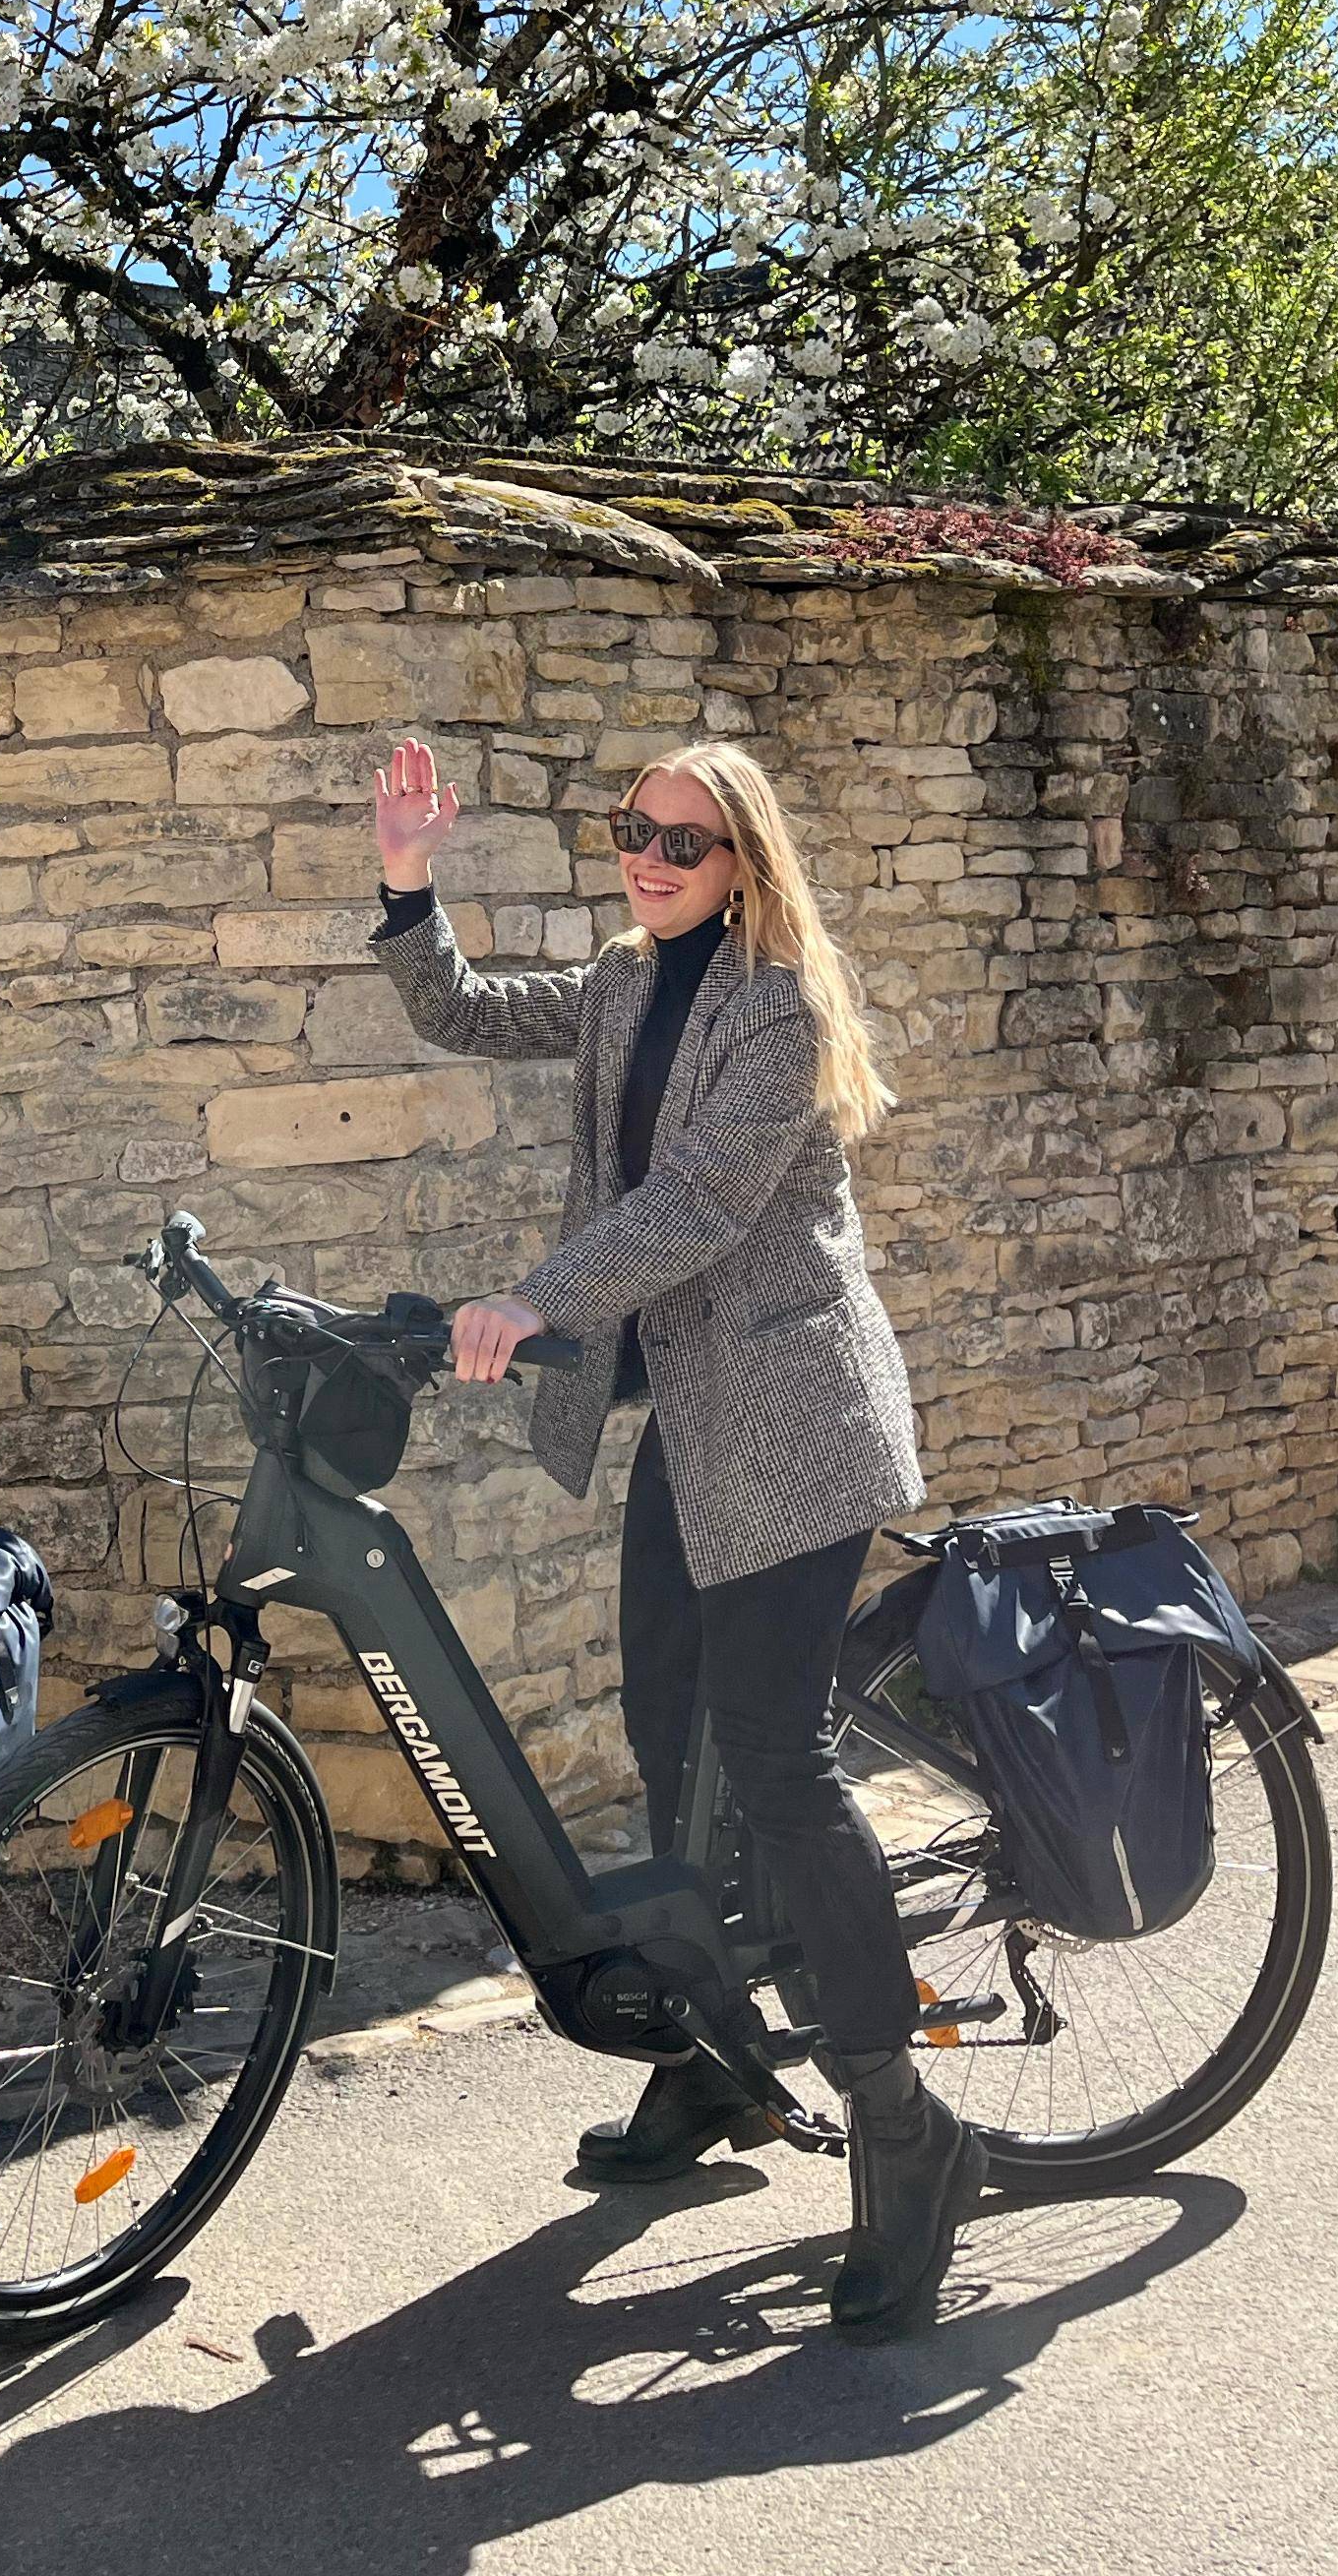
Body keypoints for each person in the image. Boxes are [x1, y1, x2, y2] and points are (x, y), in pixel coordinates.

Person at [368, 731, 982, 2338]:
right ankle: (713, 2075)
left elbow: (699, 1205)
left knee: (774, 1763)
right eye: (632, 829)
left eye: (685, 843)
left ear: (747, 864)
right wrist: (408, 878)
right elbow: (463, 1011)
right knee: (671, 1753)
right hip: (695, 1427)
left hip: (793, 1426)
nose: (649, 857)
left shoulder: (775, 1007)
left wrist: (531, 1300)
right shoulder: (635, 978)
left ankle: (907, 2137)